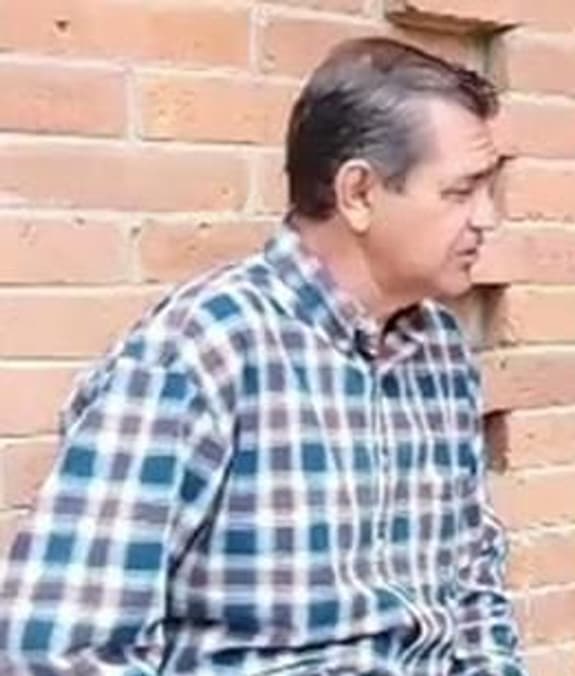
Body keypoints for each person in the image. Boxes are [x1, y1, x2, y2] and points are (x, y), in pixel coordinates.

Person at [0, 37, 525, 674]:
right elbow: (62, 650)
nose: (487, 218)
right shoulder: (200, 352)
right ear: (359, 193)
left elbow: (475, 594)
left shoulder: (438, 351)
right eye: (461, 192)